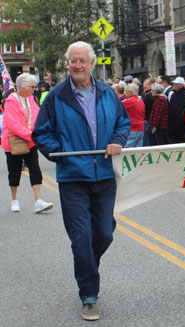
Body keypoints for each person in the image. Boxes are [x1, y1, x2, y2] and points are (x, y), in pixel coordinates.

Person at [32, 41, 131, 321]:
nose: (77, 65)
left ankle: (87, 263)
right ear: (67, 63)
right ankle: (89, 295)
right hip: (73, 177)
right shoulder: (56, 96)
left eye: (82, 61)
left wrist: (116, 141)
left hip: (104, 175)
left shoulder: (107, 93)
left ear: (92, 63)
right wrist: (61, 153)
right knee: (81, 238)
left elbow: (123, 123)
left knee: (103, 233)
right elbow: (41, 133)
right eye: (73, 61)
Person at [1, 73, 53, 213]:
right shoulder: (11, 101)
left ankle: (38, 201)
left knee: (35, 169)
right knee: (14, 171)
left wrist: (40, 131)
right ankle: (14, 199)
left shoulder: (30, 99)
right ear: (22, 88)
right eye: (32, 86)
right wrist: (32, 135)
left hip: (30, 141)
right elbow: (13, 124)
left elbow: (37, 116)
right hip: (14, 142)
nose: (34, 88)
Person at [167, 77, 185, 144]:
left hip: (182, 125)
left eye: (176, 84)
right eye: (174, 84)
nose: (174, 85)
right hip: (172, 124)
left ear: (181, 85)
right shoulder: (173, 94)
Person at [122, 83, 145, 147]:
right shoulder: (141, 101)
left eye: (126, 90)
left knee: (128, 149)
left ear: (130, 92)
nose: (126, 92)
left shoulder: (128, 101)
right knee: (138, 150)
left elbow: (117, 107)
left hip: (133, 127)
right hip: (141, 127)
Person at [142, 77, 156, 146]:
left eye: (146, 84)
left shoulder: (148, 95)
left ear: (151, 85)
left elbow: (143, 107)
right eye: (144, 84)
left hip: (148, 119)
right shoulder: (146, 94)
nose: (144, 86)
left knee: (147, 138)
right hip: (149, 119)